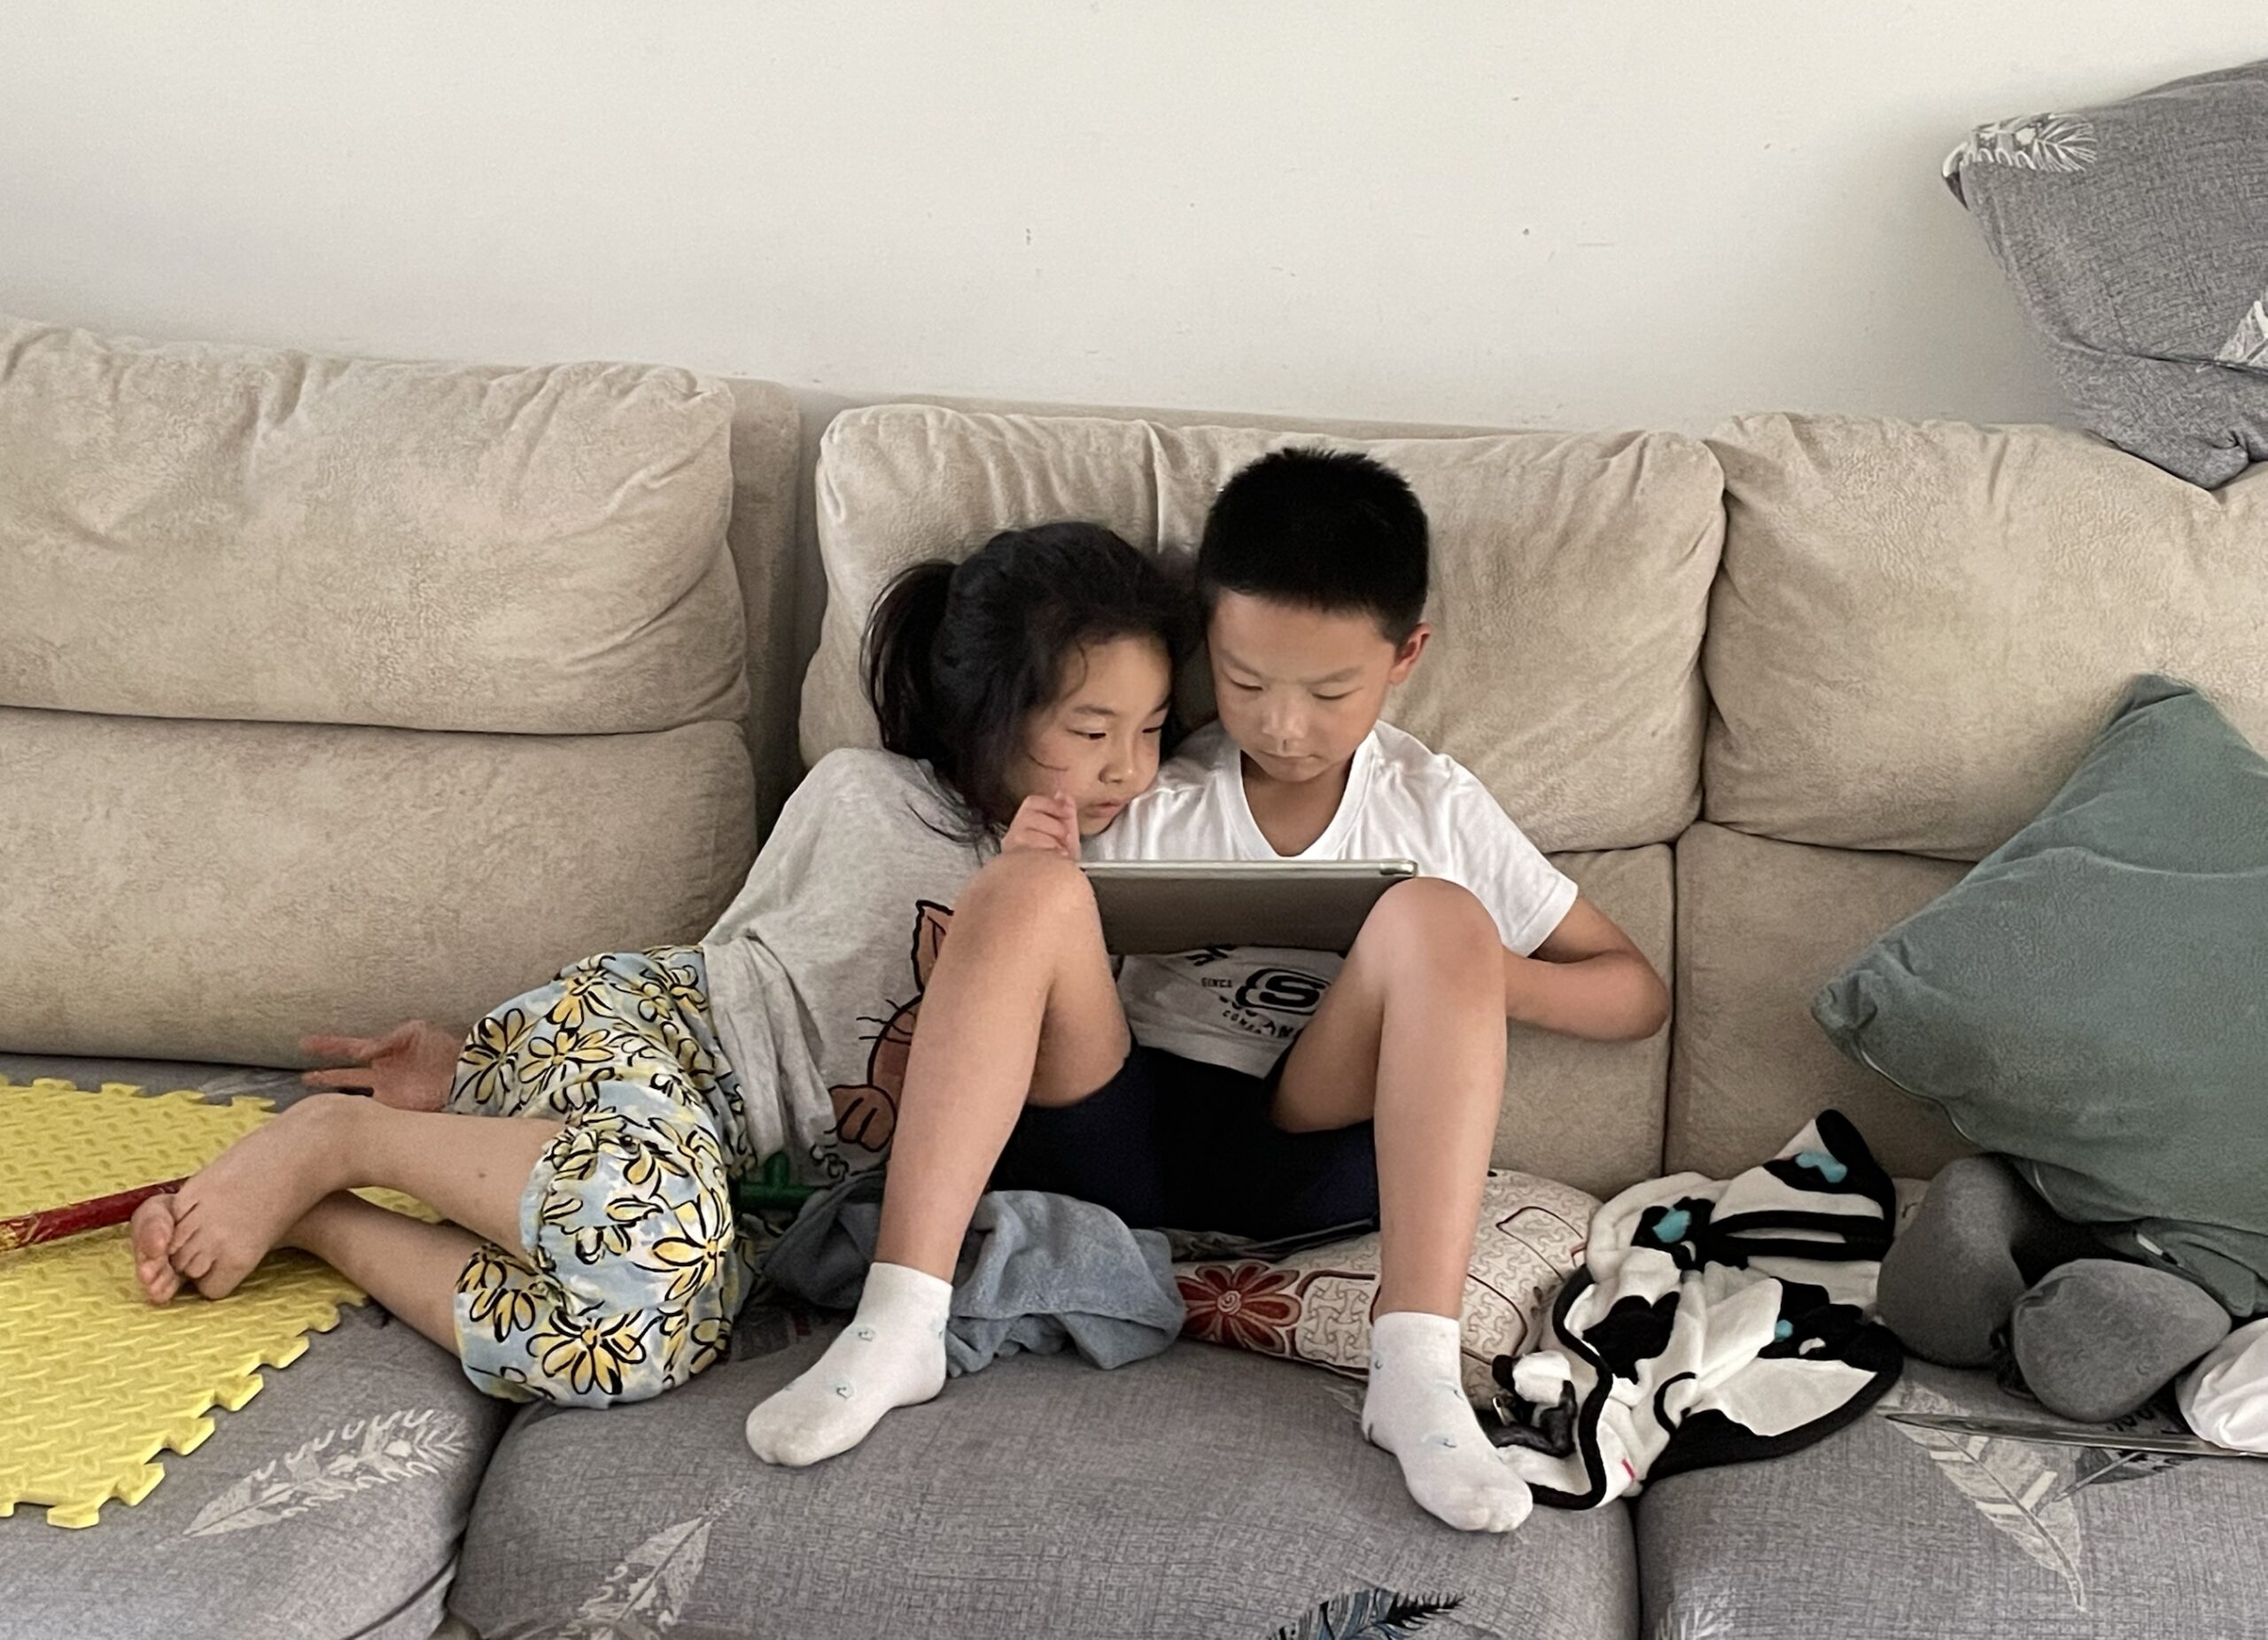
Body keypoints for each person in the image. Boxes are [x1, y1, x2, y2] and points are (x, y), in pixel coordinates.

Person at [746, 448, 1668, 1534]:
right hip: (1119, 1132)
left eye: (1328, 692)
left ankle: (1413, 1368)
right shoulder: (1157, 786)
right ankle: (900, 1319)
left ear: (1404, 655)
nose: (1282, 725)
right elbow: (1021, 899)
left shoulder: (1435, 803)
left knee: (1438, 914)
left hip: (1311, 1142)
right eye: (1244, 681)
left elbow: (1633, 994)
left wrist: (1462, 974)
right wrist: (1037, 861)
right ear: (1205, 645)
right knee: (1025, 889)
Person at [128, 522, 1192, 1408]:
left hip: (731, 1183)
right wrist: (485, 1066)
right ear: (988, 711)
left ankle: (321, 1213)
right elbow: (742, 963)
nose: (1128, 769)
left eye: (1150, 731)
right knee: (651, 1225)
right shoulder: (870, 795)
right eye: (1090, 729)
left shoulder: (1111, 879)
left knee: (635, 1342)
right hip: (659, 1043)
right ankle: (338, 1135)